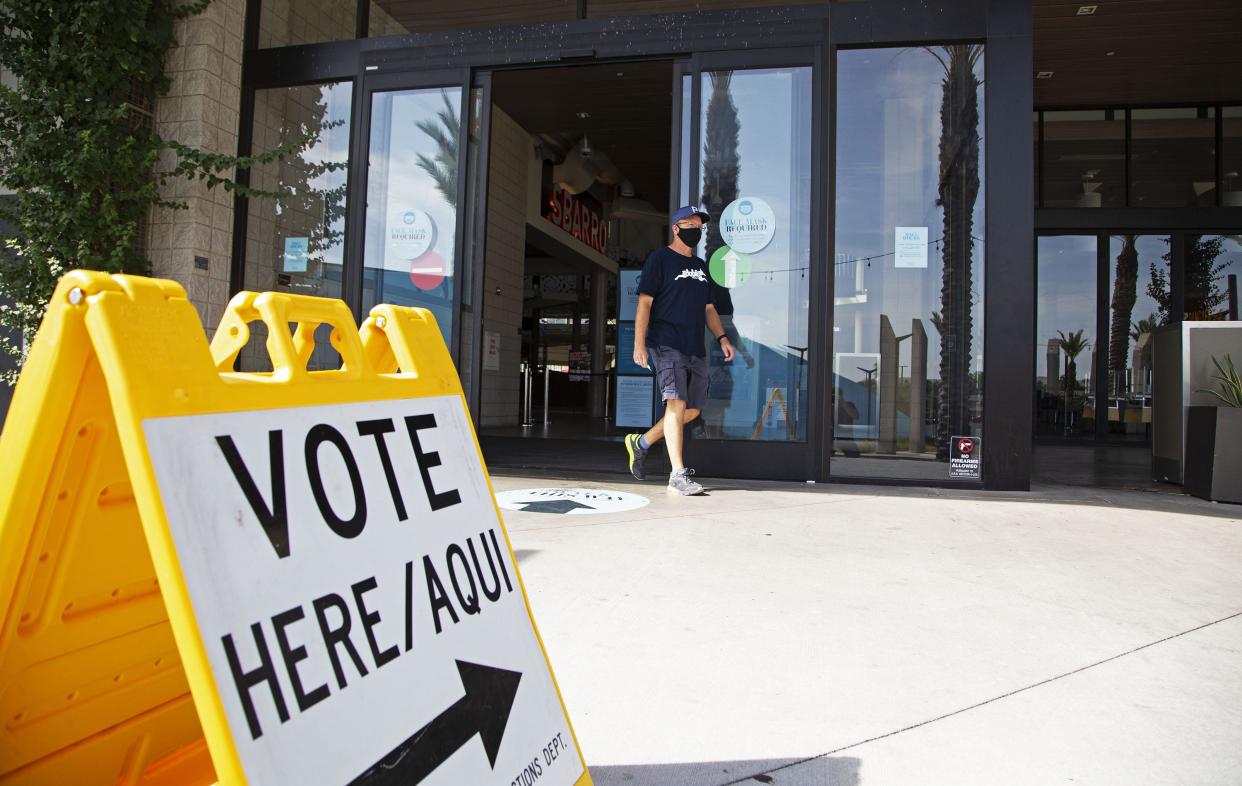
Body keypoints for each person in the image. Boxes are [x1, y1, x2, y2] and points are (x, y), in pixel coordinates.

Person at [624, 205, 734, 495]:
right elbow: (644, 303)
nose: (695, 229)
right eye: (690, 224)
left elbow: (709, 308)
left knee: (693, 410)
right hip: (666, 342)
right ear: (676, 228)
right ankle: (677, 475)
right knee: (676, 404)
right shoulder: (660, 259)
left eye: (699, 225)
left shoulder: (700, 267)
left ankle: (642, 443)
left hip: (694, 346)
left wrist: (721, 337)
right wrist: (639, 344)